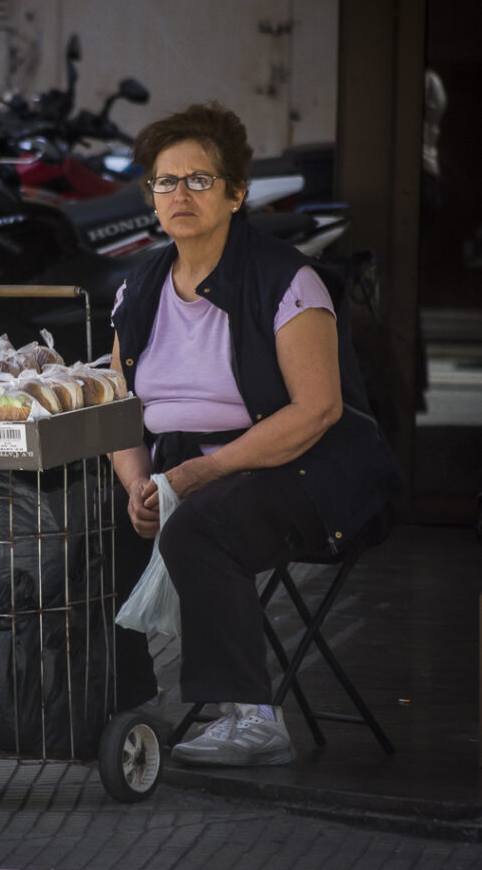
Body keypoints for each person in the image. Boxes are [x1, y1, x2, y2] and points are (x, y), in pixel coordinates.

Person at [109, 102, 403, 767]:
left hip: (309, 472)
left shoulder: (285, 279)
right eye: (164, 181)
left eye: (198, 180)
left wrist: (199, 475)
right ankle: (118, 699)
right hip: (182, 471)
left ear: (236, 193)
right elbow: (117, 408)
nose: (178, 194)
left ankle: (253, 720)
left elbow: (317, 411)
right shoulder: (140, 287)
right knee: (89, 529)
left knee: (199, 527)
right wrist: (135, 485)